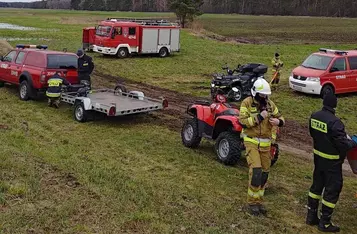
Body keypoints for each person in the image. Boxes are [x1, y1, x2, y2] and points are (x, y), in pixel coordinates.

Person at [306, 93, 357, 232]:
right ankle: (325, 223)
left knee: (316, 187)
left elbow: (312, 134)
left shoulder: (314, 116)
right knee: (332, 190)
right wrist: (353, 142)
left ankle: (311, 216)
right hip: (333, 163)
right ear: (335, 105)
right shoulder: (335, 123)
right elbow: (343, 145)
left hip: (318, 159)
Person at [239, 78, 285, 216]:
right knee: (256, 171)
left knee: (264, 174)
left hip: (266, 144)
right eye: (262, 95)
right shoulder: (246, 103)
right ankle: (252, 203)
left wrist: (278, 121)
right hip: (251, 141)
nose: (265, 97)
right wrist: (258, 117)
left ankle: (259, 201)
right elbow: (242, 121)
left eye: (266, 95)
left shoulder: (270, 105)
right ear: (255, 93)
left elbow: (281, 117)